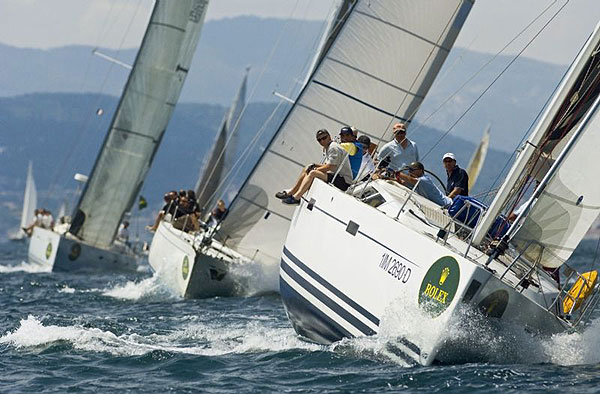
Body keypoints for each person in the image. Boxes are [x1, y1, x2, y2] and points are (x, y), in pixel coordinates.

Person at [275, 129, 354, 205]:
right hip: (336, 176)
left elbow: (331, 166)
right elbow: (329, 165)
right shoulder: (329, 147)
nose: (322, 141)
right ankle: (292, 192)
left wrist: (316, 169)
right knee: (308, 167)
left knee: (313, 172)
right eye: (319, 140)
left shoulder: (333, 148)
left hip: (344, 181)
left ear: (329, 137)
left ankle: (296, 198)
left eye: (324, 138)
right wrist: (314, 165)